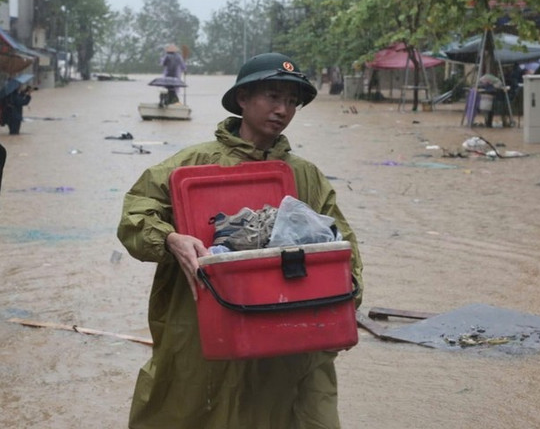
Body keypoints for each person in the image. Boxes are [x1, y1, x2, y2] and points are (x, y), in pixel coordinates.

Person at [117, 52, 364, 428]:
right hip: (202, 339)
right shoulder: (191, 166)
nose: (283, 109)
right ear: (243, 99)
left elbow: (343, 247)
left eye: (292, 101)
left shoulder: (307, 177)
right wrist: (171, 240)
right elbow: (135, 217)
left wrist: (344, 298)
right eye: (272, 96)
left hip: (290, 343)